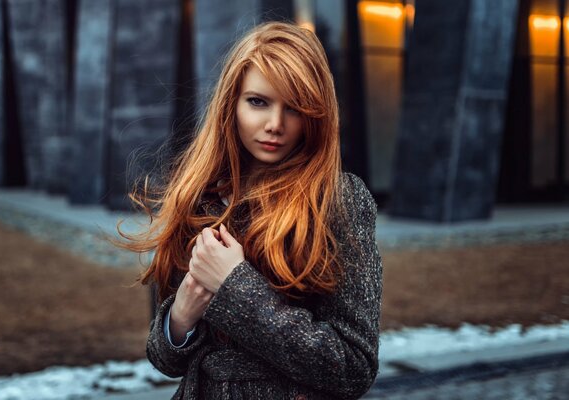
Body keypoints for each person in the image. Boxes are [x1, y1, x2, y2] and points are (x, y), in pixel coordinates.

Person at [118, 21, 383, 400]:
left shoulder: (339, 200)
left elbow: (353, 366)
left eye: (293, 107)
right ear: (232, 103)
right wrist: (182, 316)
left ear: (315, 114)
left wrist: (235, 287)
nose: (275, 125)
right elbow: (164, 360)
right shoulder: (195, 199)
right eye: (258, 101)